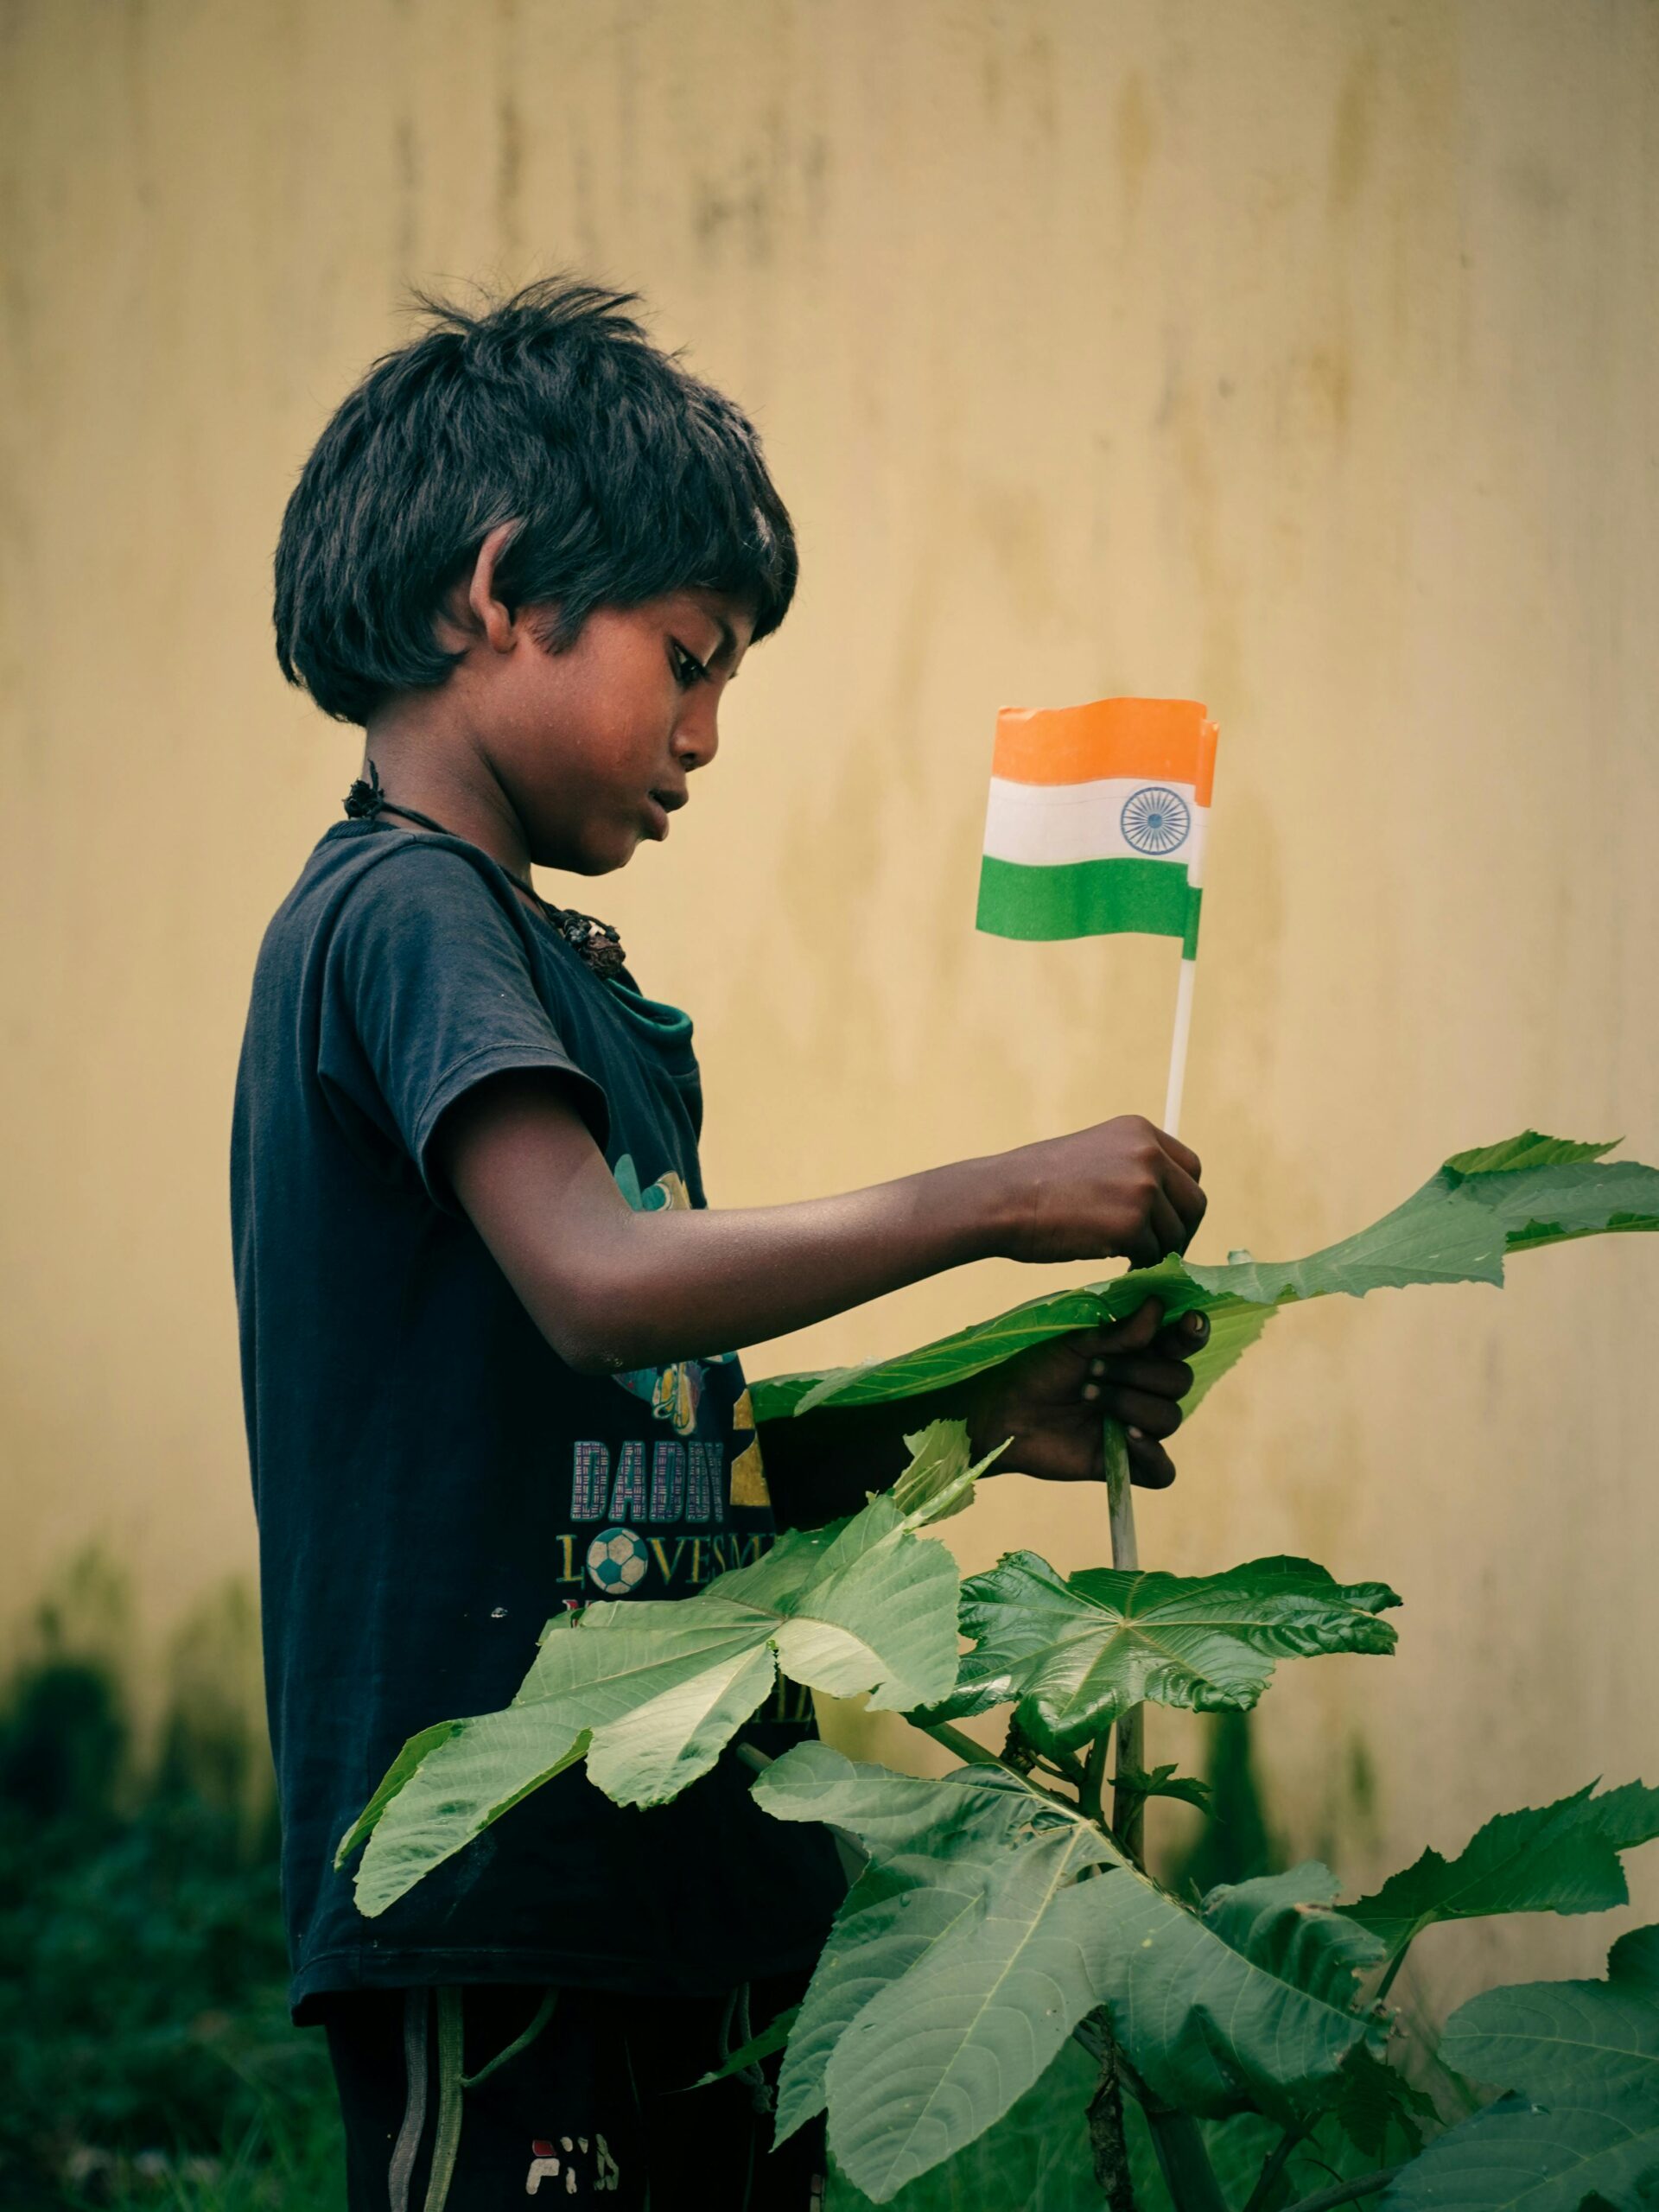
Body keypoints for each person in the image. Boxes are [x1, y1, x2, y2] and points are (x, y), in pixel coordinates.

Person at [233, 279, 1209, 2212]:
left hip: (700, 1853)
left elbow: (664, 1436)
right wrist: (995, 1198)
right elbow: (601, 1286)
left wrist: (972, 1413)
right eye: (688, 659)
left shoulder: (565, 979)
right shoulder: (404, 913)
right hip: (498, 1877)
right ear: (499, 590)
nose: (702, 733)